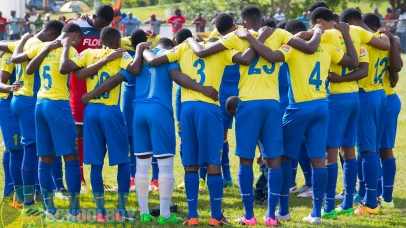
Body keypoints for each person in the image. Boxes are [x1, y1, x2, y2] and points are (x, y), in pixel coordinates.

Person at [185, 5, 323, 225]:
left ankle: (249, 216)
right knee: (274, 159)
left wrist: (190, 39)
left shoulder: (236, 35)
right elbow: (309, 48)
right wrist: (316, 31)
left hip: (248, 104)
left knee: (246, 160)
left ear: (244, 21)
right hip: (272, 103)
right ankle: (270, 216)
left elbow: (202, 52)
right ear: (261, 19)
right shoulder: (278, 33)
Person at [144, 27, 256, 226]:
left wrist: (141, 48)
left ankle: (193, 217)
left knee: (191, 164)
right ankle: (215, 217)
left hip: (187, 109)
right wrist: (259, 39)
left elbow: (153, 61)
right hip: (209, 108)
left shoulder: (183, 47)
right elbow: (246, 58)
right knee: (213, 161)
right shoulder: (221, 49)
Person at [59, 26, 140, 222]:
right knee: (122, 160)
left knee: (95, 162)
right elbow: (136, 70)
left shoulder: (88, 53)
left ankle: (101, 213)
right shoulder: (120, 54)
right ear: (116, 42)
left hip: (91, 112)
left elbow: (74, 72)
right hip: (110, 110)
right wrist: (138, 51)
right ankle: (120, 211)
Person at [13, 23, 86, 222]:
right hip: (58, 104)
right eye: (78, 39)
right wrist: (66, 48)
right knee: (70, 155)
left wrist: (46, 49)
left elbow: (28, 69)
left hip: (40, 104)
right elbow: (69, 70)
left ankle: (49, 210)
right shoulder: (69, 49)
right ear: (75, 36)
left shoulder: (43, 46)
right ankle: (75, 211)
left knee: (44, 158)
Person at [8, 20, 65, 216]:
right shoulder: (42, 46)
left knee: (31, 148)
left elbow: (14, 56)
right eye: (57, 38)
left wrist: (23, 37)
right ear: (51, 35)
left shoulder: (29, 41)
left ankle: (31, 195)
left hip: (19, 99)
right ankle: (28, 201)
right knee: (33, 149)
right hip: (29, 100)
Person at [340, 8, 390, 216]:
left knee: (367, 149)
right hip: (379, 93)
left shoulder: (360, 38)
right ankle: (366, 196)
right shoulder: (381, 37)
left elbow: (359, 67)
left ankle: (371, 202)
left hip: (366, 94)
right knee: (370, 149)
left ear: (351, 22)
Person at [69, 4, 115, 191]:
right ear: (94, 16)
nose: (100, 29)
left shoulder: (106, 31)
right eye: (100, 24)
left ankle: (97, 177)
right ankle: (79, 176)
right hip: (79, 88)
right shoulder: (76, 26)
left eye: (105, 26)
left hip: (100, 90)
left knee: (97, 133)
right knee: (78, 132)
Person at [0, 52, 24, 205]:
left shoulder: (34, 50)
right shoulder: (10, 55)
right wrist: (10, 88)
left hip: (24, 103)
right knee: (13, 147)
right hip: (8, 103)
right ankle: (10, 190)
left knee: (23, 147)